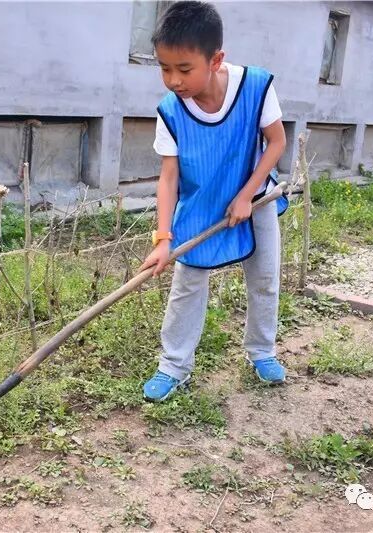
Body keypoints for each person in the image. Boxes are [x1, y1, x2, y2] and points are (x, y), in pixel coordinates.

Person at [139, 0, 290, 402]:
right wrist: (163, 238)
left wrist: (246, 195)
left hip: (256, 198)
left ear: (216, 59)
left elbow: (276, 142)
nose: (173, 80)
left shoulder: (255, 87)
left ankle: (262, 351)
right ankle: (173, 366)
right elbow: (169, 178)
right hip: (203, 204)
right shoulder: (170, 112)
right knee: (187, 284)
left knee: (265, 278)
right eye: (164, 68)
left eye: (184, 69)